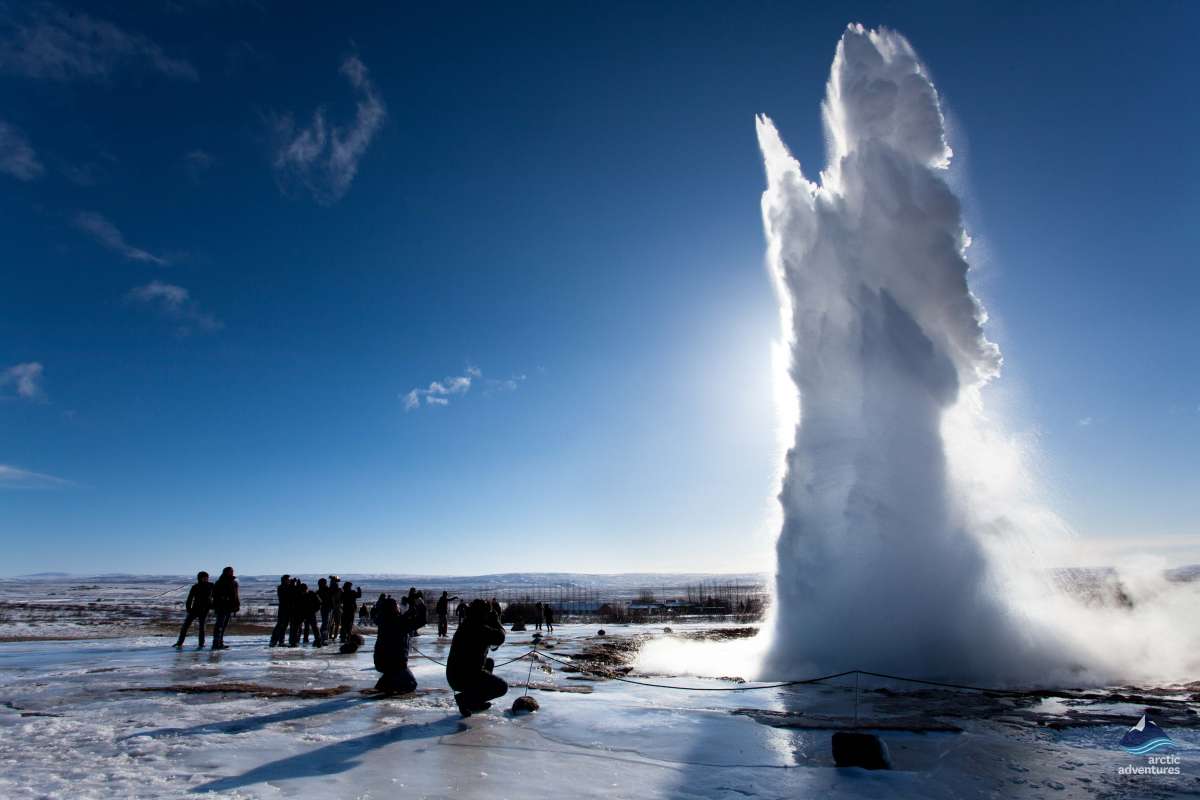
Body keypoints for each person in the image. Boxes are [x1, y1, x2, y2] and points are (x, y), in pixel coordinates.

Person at [446, 599, 508, 717]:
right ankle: (465, 699)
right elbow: (500, 638)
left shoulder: (469, 623)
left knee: (489, 662)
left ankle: (476, 702)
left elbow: (494, 643)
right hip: (462, 677)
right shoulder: (477, 627)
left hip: (457, 674)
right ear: (482, 613)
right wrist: (496, 620)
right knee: (502, 687)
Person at [372, 594, 425, 694]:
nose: (398, 607)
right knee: (410, 684)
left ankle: (385, 684)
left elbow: (400, 619)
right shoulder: (398, 622)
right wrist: (421, 606)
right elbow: (421, 621)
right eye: (396, 606)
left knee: (392, 674)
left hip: (381, 661)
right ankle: (390, 686)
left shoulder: (382, 619)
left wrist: (409, 612)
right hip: (395, 663)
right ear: (393, 609)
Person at [173, 571, 213, 649]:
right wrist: (189, 609)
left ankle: (201, 644)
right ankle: (179, 642)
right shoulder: (195, 587)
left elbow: (216, 596)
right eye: (204, 577)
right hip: (195, 609)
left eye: (207, 577)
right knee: (185, 626)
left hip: (205, 610)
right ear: (200, 578)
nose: (206, 579)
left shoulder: (211, 586)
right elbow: (190, 598)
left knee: (202, 628)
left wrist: (212, 605)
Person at [210, 566, 240, 650]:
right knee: (219, 625)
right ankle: (216, 643)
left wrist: (237, 605)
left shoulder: (234, 582)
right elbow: (214, 595)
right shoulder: (220, 582)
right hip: (221, 607)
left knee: (223, 626)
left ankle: (220, 642)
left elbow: (236, 596)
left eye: (232, 571)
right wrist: (222, 599)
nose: (232, 573)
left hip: (229, 607)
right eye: (230, 571)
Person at [269, 574, 292, 647]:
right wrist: (291, 586)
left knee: (284, 626)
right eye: (288, 580)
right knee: (280, 625)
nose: (289, 581)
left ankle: (281, 641)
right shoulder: (281, 587)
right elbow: (285, 596)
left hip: (287, 609)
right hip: (283, 609)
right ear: (285, 580)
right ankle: (273, 641)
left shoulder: (286, 587)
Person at [328, 577, 343, 642]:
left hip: (336, 608)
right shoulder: (329, 590)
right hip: (332, 608)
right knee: (332, 623)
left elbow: (342, 599)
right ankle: (331, 635)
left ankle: (334, 635)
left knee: (336, 623)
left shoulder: (339, 590)